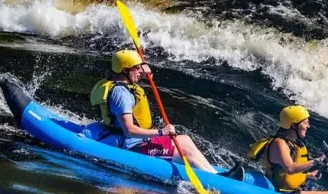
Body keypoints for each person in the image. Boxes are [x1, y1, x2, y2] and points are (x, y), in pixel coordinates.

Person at [88, 49, 243, 179]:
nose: (140, 71)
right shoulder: (121, 95)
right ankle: (217, 181)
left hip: (139, 141)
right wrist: (162, 132)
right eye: (137, 68)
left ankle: (217, 174)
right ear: (125, 70)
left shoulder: (121, 80)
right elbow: (130, 130)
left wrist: (143, 72)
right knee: (185, 153)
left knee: (185, 140)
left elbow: (133, 75)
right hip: (132, 145)